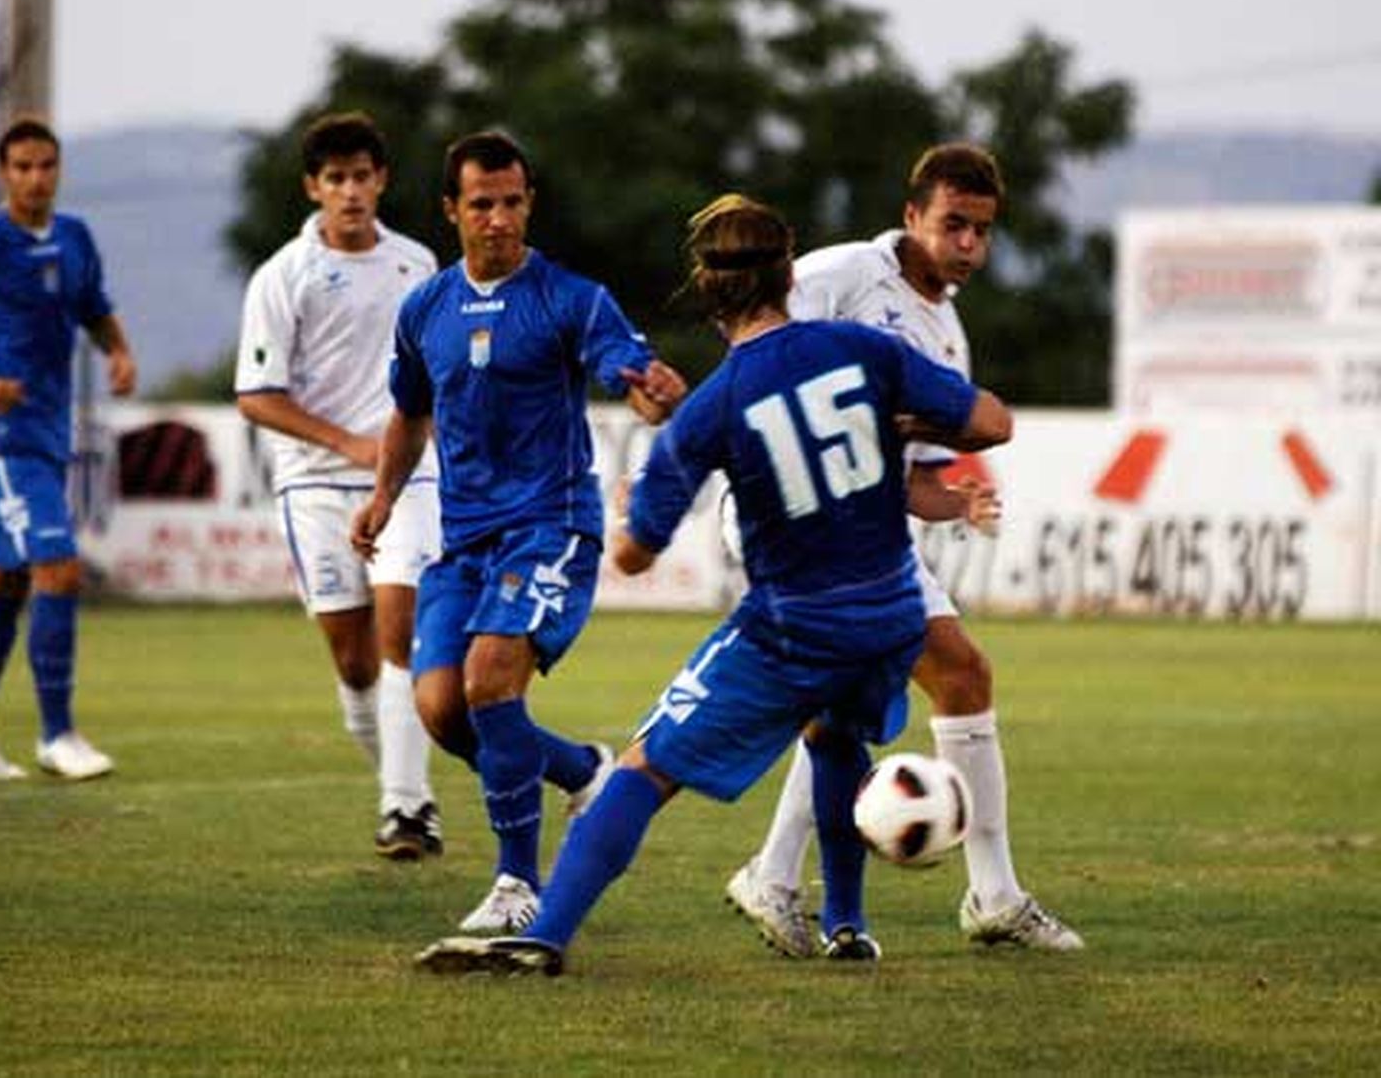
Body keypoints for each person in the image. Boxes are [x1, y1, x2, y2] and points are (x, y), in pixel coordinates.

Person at [414, 193, 1013, 976]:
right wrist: (903, 421)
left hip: (792, 626)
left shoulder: (714, 405)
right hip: (895, 614)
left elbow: (631, 557)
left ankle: (544, 934)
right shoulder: (867, 351)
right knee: (837, 735)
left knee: (642, 767)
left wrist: (630, 514)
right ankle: (846, 923)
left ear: (704, 288)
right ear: (790, 274)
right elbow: (992, 422)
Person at [723, 143, 1084, 954]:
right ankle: (984, 896)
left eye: (982, 231)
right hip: (789, 514)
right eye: (953, 224)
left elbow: (908, 477)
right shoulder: (844, 275)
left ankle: (780, 876)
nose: (967, 246)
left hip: (863, 529)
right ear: (912, 213)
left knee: (917, 683)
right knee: (936, 676)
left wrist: (952, 499)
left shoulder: (947, 338)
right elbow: (757, 353)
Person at [351, 130, 686, 932]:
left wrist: (653, 396)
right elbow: (409, 412)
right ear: (450, 211)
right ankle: (583, 770)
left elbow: (628, 374)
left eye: (511, 202)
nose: (499, 220)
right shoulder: (425, 308)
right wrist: (383, 498)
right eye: (481, 205)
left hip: (550, 526)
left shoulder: (571, 297)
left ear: (528, 202)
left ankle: (515, 883)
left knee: (491, 678)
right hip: (464, 540)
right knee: (440, 709)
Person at [234, 111, 445, 861]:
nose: (350, 192)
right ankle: (401, 782)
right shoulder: (282, 277)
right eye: (336, 179)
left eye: (362, 177)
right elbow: (257, 394)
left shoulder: (418, 265)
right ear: (313, 187)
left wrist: (401, 445)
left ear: (381, 181)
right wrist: (345, 441)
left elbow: (440, 367)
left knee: (401, 634)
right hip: (315, 487)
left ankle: (406, 809)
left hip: (408, 476)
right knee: (354, 664)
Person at [0, 115, 136, 782]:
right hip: (3, 441)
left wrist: (118, 352)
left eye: (46, 165)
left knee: (5, 580)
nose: (36, 178)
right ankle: (57, 734)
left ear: (58, 169)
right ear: (3, 174)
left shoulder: (74, 238)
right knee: (59, 567)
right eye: (23, 167)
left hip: (49, 434)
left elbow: (95, 307)